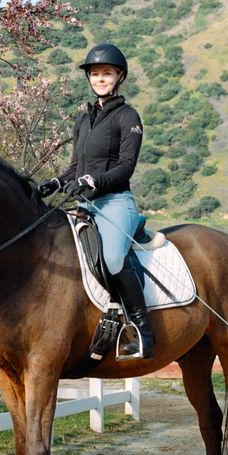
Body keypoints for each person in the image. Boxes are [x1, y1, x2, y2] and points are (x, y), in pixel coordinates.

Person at [38, 42, 155, 359]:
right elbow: (76, 167)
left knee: (114, 259)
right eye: (95, 73)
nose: (100, 79)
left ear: (119, 76)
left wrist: (94, 181)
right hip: (84, 206)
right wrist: (55, 182)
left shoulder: (128, 117)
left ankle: (142, 332)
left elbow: (126, 167)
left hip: (115, 202)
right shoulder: (83, 122)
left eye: (107, 73)